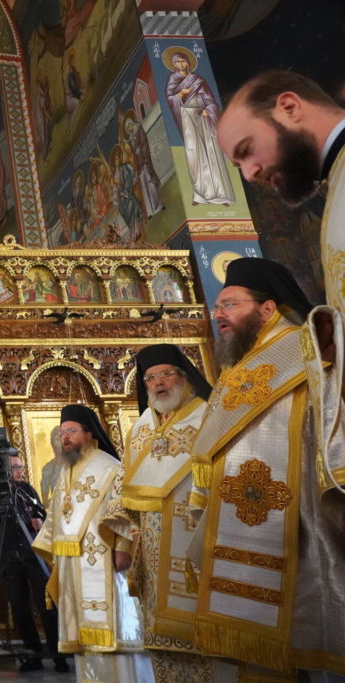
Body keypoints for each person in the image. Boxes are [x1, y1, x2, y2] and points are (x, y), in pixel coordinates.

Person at [188, 258, 345, 678]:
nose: (218, 315)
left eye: (230, 304)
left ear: (268, 308)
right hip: (242, 517)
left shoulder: (308, 348)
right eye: (217, 307)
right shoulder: (235, 369)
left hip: (305, 515)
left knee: (312, 620)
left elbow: (334, 418)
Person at [107, 345, 237, 680]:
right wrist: (124, 545)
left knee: (206, 640)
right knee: (163, 642)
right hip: (150, 554)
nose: (158, 383)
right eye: (150, 378)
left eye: (166, 374)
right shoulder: (142, 428)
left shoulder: (209, 415)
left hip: (197, 539)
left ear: (184, 376)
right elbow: (125, 490)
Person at [216, 70, 345, 367]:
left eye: (246, 150)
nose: (249, 174)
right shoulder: (335, 184)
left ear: (289, 107)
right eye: (238, 165)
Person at [32, 404, 154, 682]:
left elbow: (124, 510)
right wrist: (55, 559)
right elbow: (57, 519)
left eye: (71, 431)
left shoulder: (109, 466)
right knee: (84, 641)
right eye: (62, 433)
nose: (65, 438)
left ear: (89, 433)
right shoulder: (65, 470)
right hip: (73, 566)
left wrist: (123, 549)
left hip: (105, 561)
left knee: (116, 633)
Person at [0, 452, 65, 673]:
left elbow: (44, 515)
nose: (19, 471)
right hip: (7, 557)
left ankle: (59, 656)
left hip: (33, 554)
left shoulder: (26, 490)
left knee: (46, 606)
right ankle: (32, 656)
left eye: (20, 466)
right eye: (15, 467)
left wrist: (40, 521)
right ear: (4, 469)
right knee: (19, 608)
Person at [164, 50, 234, 206]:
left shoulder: (197, 79)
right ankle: (200, 194)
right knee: (194, 153)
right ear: (173, 65)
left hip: (203, 118)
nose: (180, 64)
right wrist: (180, 94)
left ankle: (221, 194)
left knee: (211, 151)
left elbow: (210, 99)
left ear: (188, 62)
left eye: (183, 61)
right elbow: (170, 98)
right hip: (187, 118)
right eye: (177, 62)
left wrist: (207, 110)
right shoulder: (172, 79)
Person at [39, 425, 63, 506]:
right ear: (52, 443)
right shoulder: (48, 468)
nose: (61, 443)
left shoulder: (75, 464)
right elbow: (45, 500)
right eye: (57, 439)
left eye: (62, 439)